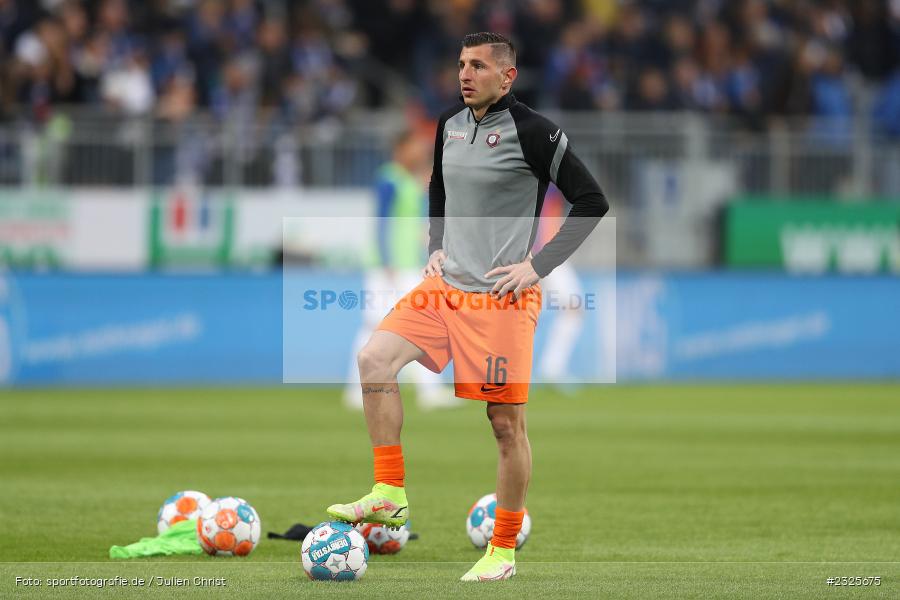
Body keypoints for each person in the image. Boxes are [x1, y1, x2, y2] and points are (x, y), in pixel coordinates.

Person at [326, 32, 608, 582]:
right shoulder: (448, 126)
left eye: (478, 65)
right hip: (445, 287)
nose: (465, 73)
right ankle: (388, 492)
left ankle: (501, 551)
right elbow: (439, 193)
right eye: (460, 64)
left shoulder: (536, 133)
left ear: (507, 76)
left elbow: (593, 200)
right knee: (373, 361)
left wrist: (539, 266)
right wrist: (435, 247)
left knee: (505, 425)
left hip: (502, 298)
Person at [343, 130, 458, 411]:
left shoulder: (410, 181)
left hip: (409, 265)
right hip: (390, 267)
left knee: (419, 324)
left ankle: (426, 390)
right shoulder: (389, 178)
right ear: (400, 148)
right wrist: (386, 260)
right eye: (414, 147)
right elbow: (381, 221)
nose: (419, 152)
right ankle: (358, 390)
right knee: (375, 324)